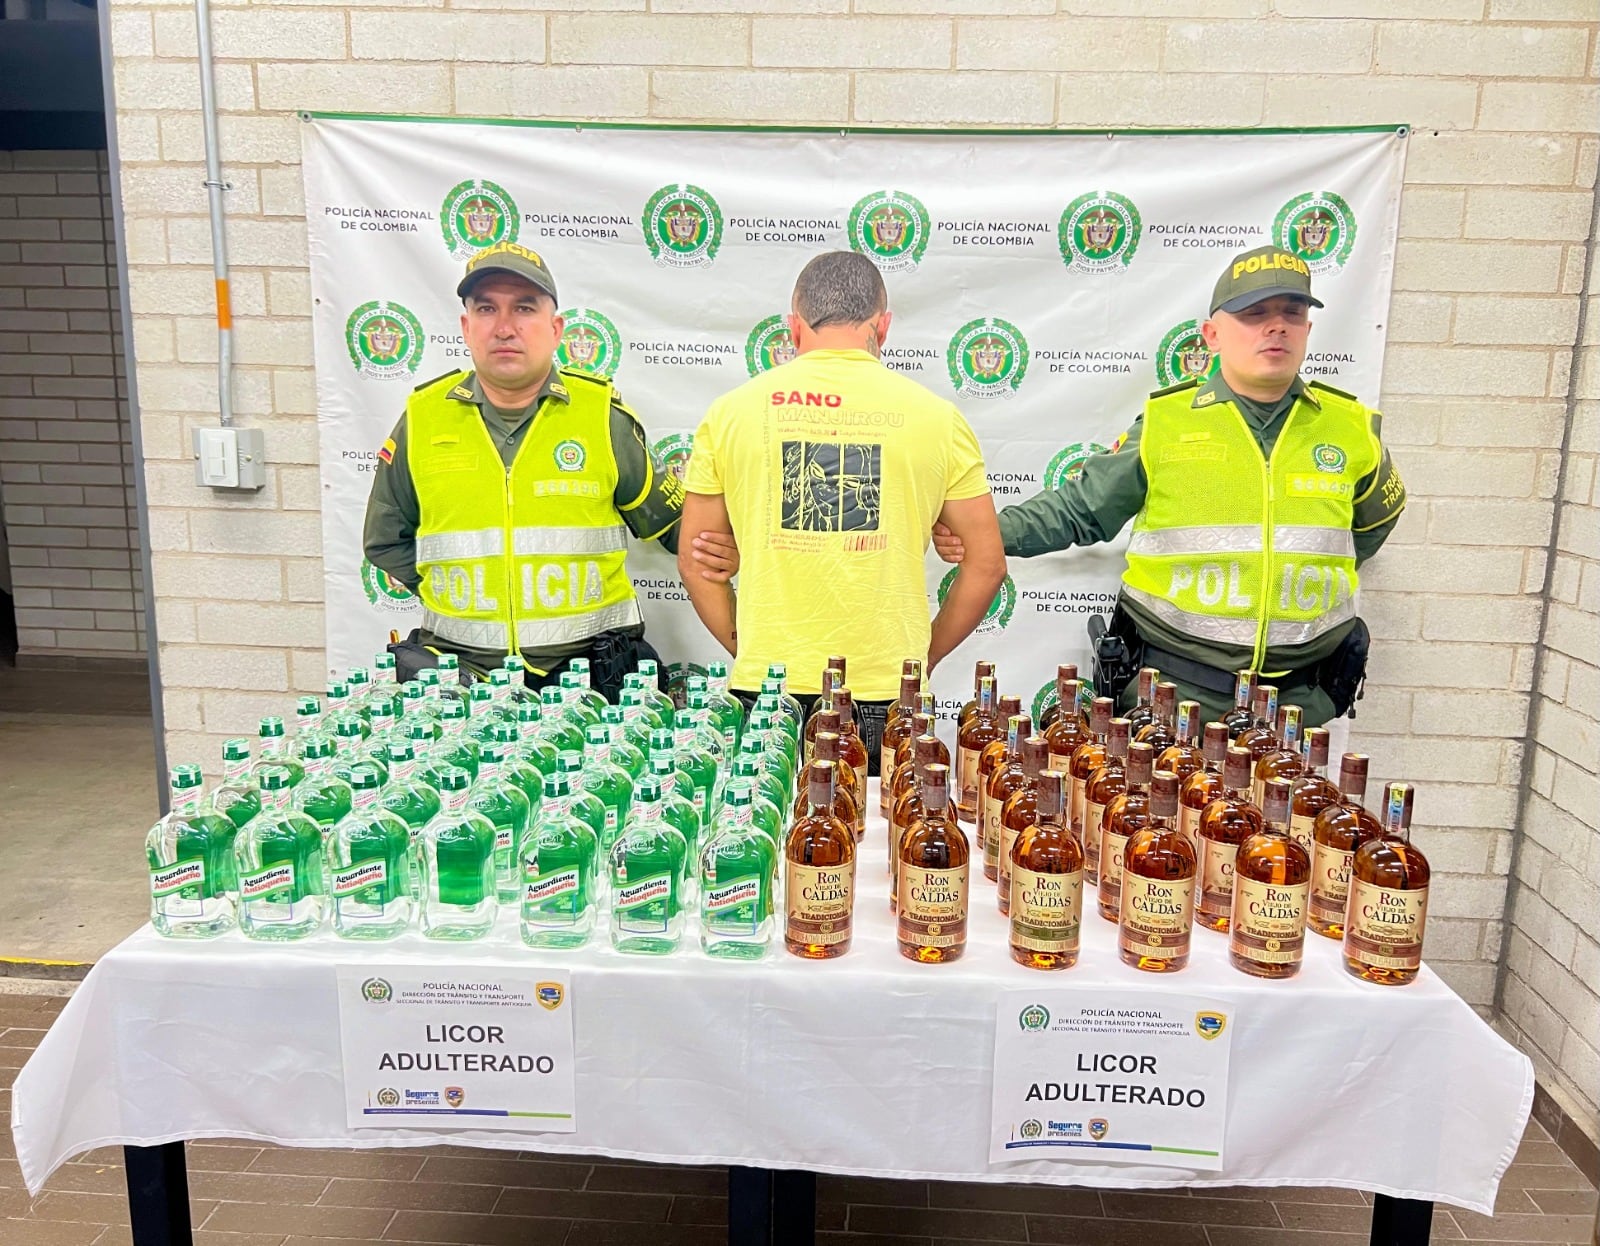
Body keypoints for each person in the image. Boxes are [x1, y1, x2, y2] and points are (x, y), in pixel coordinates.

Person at [932, 244, 1406, 726]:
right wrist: (982, 531)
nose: (1276, 326)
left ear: (1308, 328)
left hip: (1300, 703)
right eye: (1254, 313)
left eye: (1292, 312)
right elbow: (1080, 508)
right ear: (1213, 335)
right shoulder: (1166, 422)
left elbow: (1368, 531)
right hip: (1174, 699)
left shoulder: (1353, 428)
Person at [678, 250, 1007, 762]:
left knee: (766, 834)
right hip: (888, 690)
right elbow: (987, 565)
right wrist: (924, 657)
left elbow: (697, 563)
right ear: (884, 325)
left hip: (769, 688)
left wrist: (752, 648)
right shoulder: (937, 418)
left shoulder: (730, 413)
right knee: (887, 836)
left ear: (793, 327)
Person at [363, 241, 731, 697]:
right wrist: (465, 594)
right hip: (463, 683)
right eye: (485, 309)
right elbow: (384, 541)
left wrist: (739, 547)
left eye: (523, 308)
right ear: (465, 326)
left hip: (592, 685)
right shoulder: (421, 419)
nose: (504, 328)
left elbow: (682, 528)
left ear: (555, 329)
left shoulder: (601, 417)